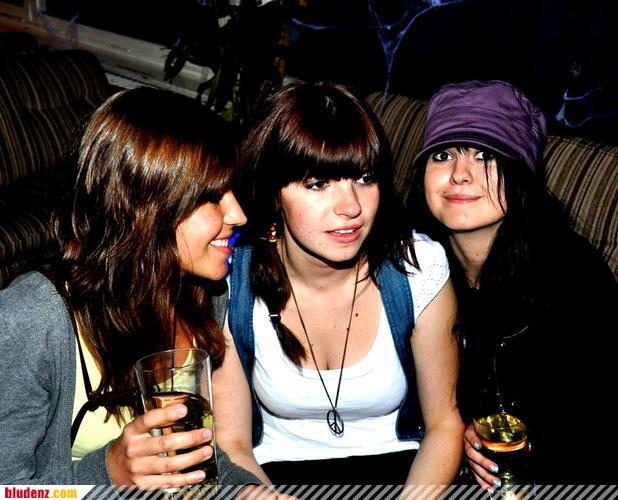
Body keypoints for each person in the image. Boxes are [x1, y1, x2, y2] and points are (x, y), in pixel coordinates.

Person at [0, 87, 259, 490]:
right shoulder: (32, 318)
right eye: (211, 197)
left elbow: (202, 457)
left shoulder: (204, 295)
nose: (238, 214)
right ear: (146, 207)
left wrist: (250, 493)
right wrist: (110, 473)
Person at [212, 81, 464, 486]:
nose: (351, 207)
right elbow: (232, 444)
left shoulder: (417, 268)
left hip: (406, 473)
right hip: (272, 480)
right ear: (274, 194)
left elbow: (444, 425)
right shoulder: (231, 281)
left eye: (364, 179)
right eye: (318, 183)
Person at [407, 79, 618, 488]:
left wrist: (526, 449)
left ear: (521, 172)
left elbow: (598, 422)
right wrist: (457, 436)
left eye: (486, 155)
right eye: (443, 154)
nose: (460, 175)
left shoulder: (574, 278)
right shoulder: (413, 267)